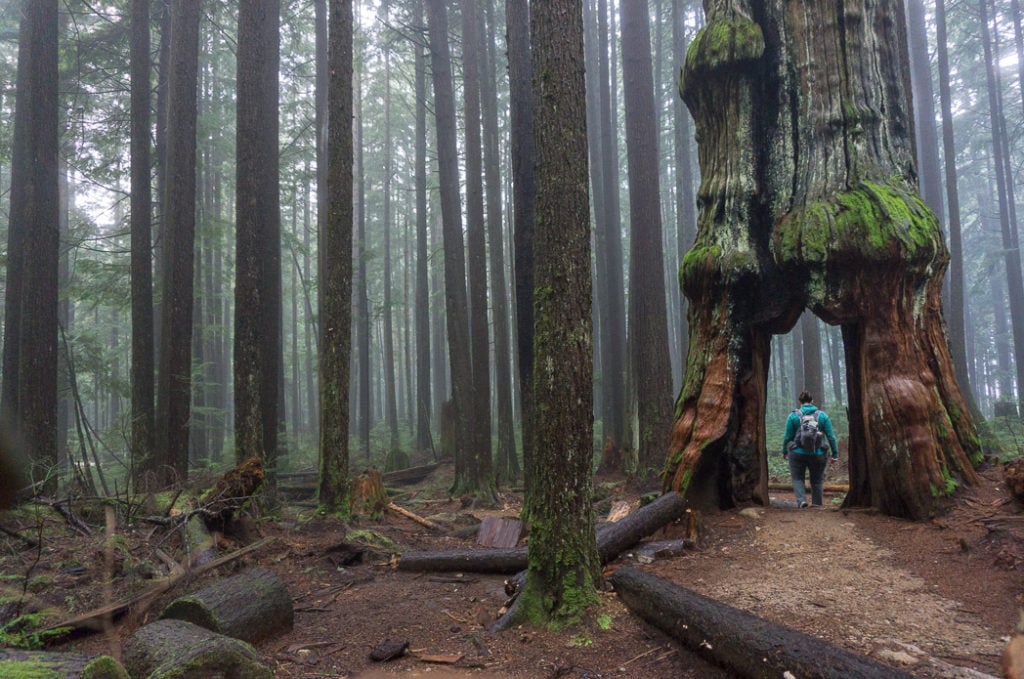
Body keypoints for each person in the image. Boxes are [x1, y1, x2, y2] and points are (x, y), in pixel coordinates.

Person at [782, 390, 839, 508]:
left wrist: (784, 451)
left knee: (798, 478)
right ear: (812, 401)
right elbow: (831, 437)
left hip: (797, 453)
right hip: (818, 453)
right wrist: (835, 454)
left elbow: (787, 436)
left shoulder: (793, 416)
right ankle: (817, 504)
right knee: (817, 480)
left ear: (800, 402)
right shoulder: (822, 416)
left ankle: (802, 501)